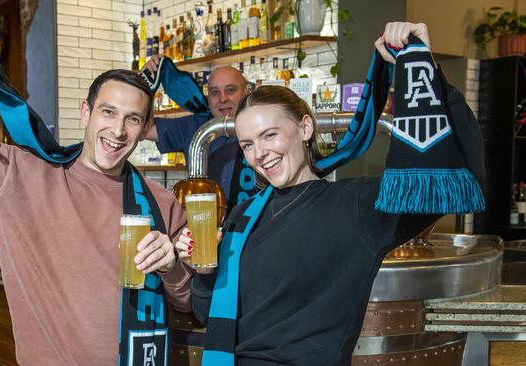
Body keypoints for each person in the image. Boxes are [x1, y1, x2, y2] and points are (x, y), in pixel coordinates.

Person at [174, 22, 482, 365]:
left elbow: (461, 176)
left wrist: (424, 69)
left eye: (270, 135)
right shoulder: (241, 216)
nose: (260, 153)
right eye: (248, 144)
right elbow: (207, 313)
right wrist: (202, 269)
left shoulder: (355, 208)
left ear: (305, 128)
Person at [0, 9, 192, 365]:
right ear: (86, 113)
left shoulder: (161, 203)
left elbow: (190, 300)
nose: (118, 130)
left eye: (132, 119)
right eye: (108, 112)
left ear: (144, 127)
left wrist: (171, 267)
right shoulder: (19, 174)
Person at [143, 56, 256, 210]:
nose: (223, 99)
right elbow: (143, 128)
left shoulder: (262, 124)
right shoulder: (193, 125)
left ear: (246, 92)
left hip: (254, 225)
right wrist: (144, 87)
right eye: (215, 92)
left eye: (230, 90)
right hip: (204, 226)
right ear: (207, 96)